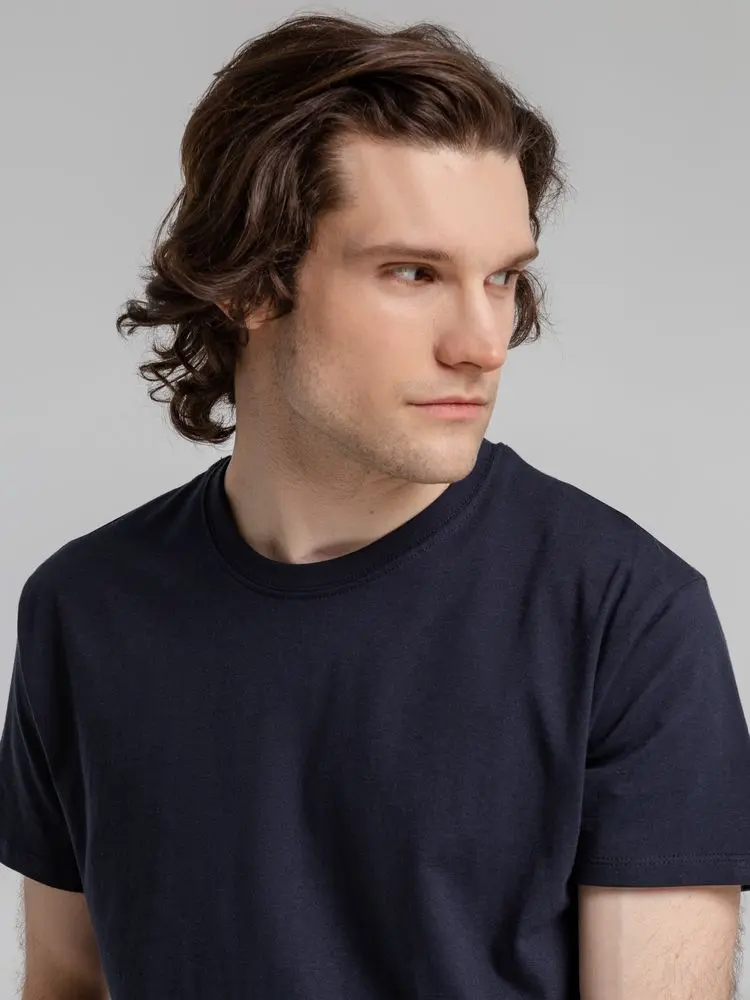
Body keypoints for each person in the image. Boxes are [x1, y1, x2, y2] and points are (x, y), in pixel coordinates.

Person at [1, 12, 748, 1000]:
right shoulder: (85, 608)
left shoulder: (625, 616)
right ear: (251, 283)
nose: (483, 343)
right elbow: (66, 977)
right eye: (413, 272)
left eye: (503, 278)